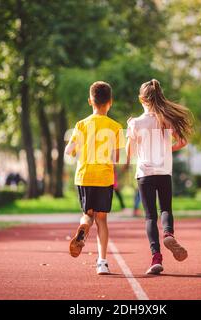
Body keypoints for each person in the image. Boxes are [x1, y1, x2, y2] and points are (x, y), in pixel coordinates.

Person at [126, 79, 192, 275]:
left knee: (149, 216)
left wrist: (130, 130)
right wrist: (167, 149)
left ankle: (156, 257)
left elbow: (129, 153)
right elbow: (183, 141)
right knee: (165, 208)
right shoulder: (167, 120)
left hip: (145, 173)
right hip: (164, 172)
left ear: (141, 99)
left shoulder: (136, 122)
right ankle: (169, 233)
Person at [65, 81, 124, 275]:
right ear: (111, 102)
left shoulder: (81, 124)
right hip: (104, 177)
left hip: (84, 176)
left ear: (90, 101)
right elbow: (117, 157)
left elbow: (69, 151)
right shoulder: (115, 127)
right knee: (102, 220)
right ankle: (102, 262)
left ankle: (84, 225)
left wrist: (77, 153)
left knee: (88, 215)